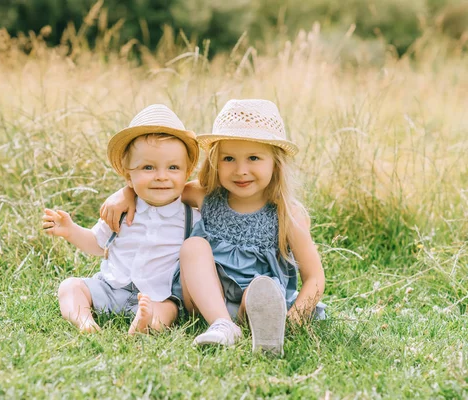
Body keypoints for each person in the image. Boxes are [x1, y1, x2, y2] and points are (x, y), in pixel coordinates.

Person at [100, 99, 326, 355]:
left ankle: (263, 324)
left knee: (260, 289)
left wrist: (294, 319)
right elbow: (160, 188)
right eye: (229, 158)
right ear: (215, 161)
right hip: (203, 299)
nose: (241, 170)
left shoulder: (287, 214)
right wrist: (126, 192)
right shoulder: (205, 195)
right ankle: (222, 324)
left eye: (254, 158)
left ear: (276, 163)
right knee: (194, 246)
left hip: (252, 302)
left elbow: (315, 278)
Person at [43, 104, 200, 335]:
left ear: (187, 174)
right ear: (129, 176)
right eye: (148, 167)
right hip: (109, 287)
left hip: (156, 295)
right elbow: (97, 244)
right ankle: (84, 320)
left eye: (173, 167)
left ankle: (146, 323)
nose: (161, 176)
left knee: (169, 310)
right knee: (70, 286)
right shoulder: (122, 210)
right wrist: (70, 230)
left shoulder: (191, 218)